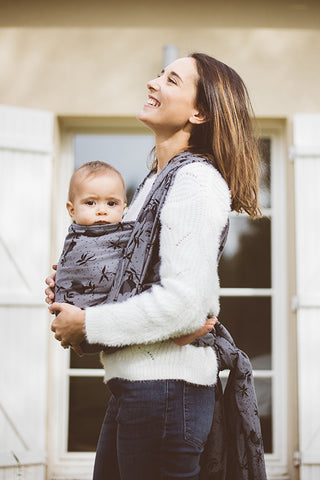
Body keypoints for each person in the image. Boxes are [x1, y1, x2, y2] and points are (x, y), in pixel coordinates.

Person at [46, 53, 261, 479]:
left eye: (171, 80)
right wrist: (75, 285)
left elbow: (184, 305)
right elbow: (133, 281)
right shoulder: (151, 184)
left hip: (164, 392)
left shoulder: (194, 182)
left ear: (199, 112)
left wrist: (87, 324)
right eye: (160, 74)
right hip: (138, 387)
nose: (152, 82)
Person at [55, 160, 216, 356]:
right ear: (71, 210)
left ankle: (177, 333)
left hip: (99, 324)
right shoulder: (77, 239)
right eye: (90, 203)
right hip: (83, 317)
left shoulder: (128, 231)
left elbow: (146, 248)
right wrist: (60, 282)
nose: (102, 210)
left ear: (124, 208)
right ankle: (176, 332)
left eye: (111, 203)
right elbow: (73, 270)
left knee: (147, 282)